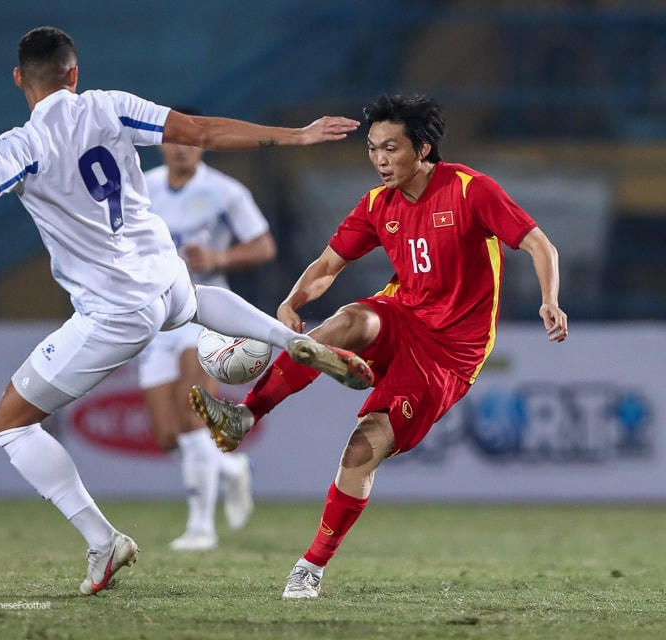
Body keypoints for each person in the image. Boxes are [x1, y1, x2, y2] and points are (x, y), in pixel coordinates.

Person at [0, 26, 369, 595]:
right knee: (197, 303)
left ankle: (103, 542)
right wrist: (298, 135)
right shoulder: (112, 107)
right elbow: (202, 130)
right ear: (74, 75)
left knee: (9, 422)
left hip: (115, 309)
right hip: (167, 277)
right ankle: (286, 339)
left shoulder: (20, 144)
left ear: (18, 80)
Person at [189, 93, 568, 599]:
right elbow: (326, 267)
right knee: (350, 319)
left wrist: (550, 300)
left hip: (449, 355)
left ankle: (311, 566)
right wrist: (291, 302)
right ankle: (247, 414)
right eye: (372, 149)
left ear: (423, 148)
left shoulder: (470, 191)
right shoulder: (376, 205)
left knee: (363, 448)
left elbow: (541, 244)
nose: (380, 160)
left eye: (391, 149)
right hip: (400, 315)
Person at [139, 112, 276, 550]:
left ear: (202, 144)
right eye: (172, 139)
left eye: (189, 140)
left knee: (191, 410)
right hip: (155, 316)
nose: (180, 147)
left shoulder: (225, 192)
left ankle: (201, 528)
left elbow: (263, 245)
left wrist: (218, 260)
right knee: (166, 435)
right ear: (161, 144)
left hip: (204, 312)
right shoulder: (142, 186)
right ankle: (233, 470)